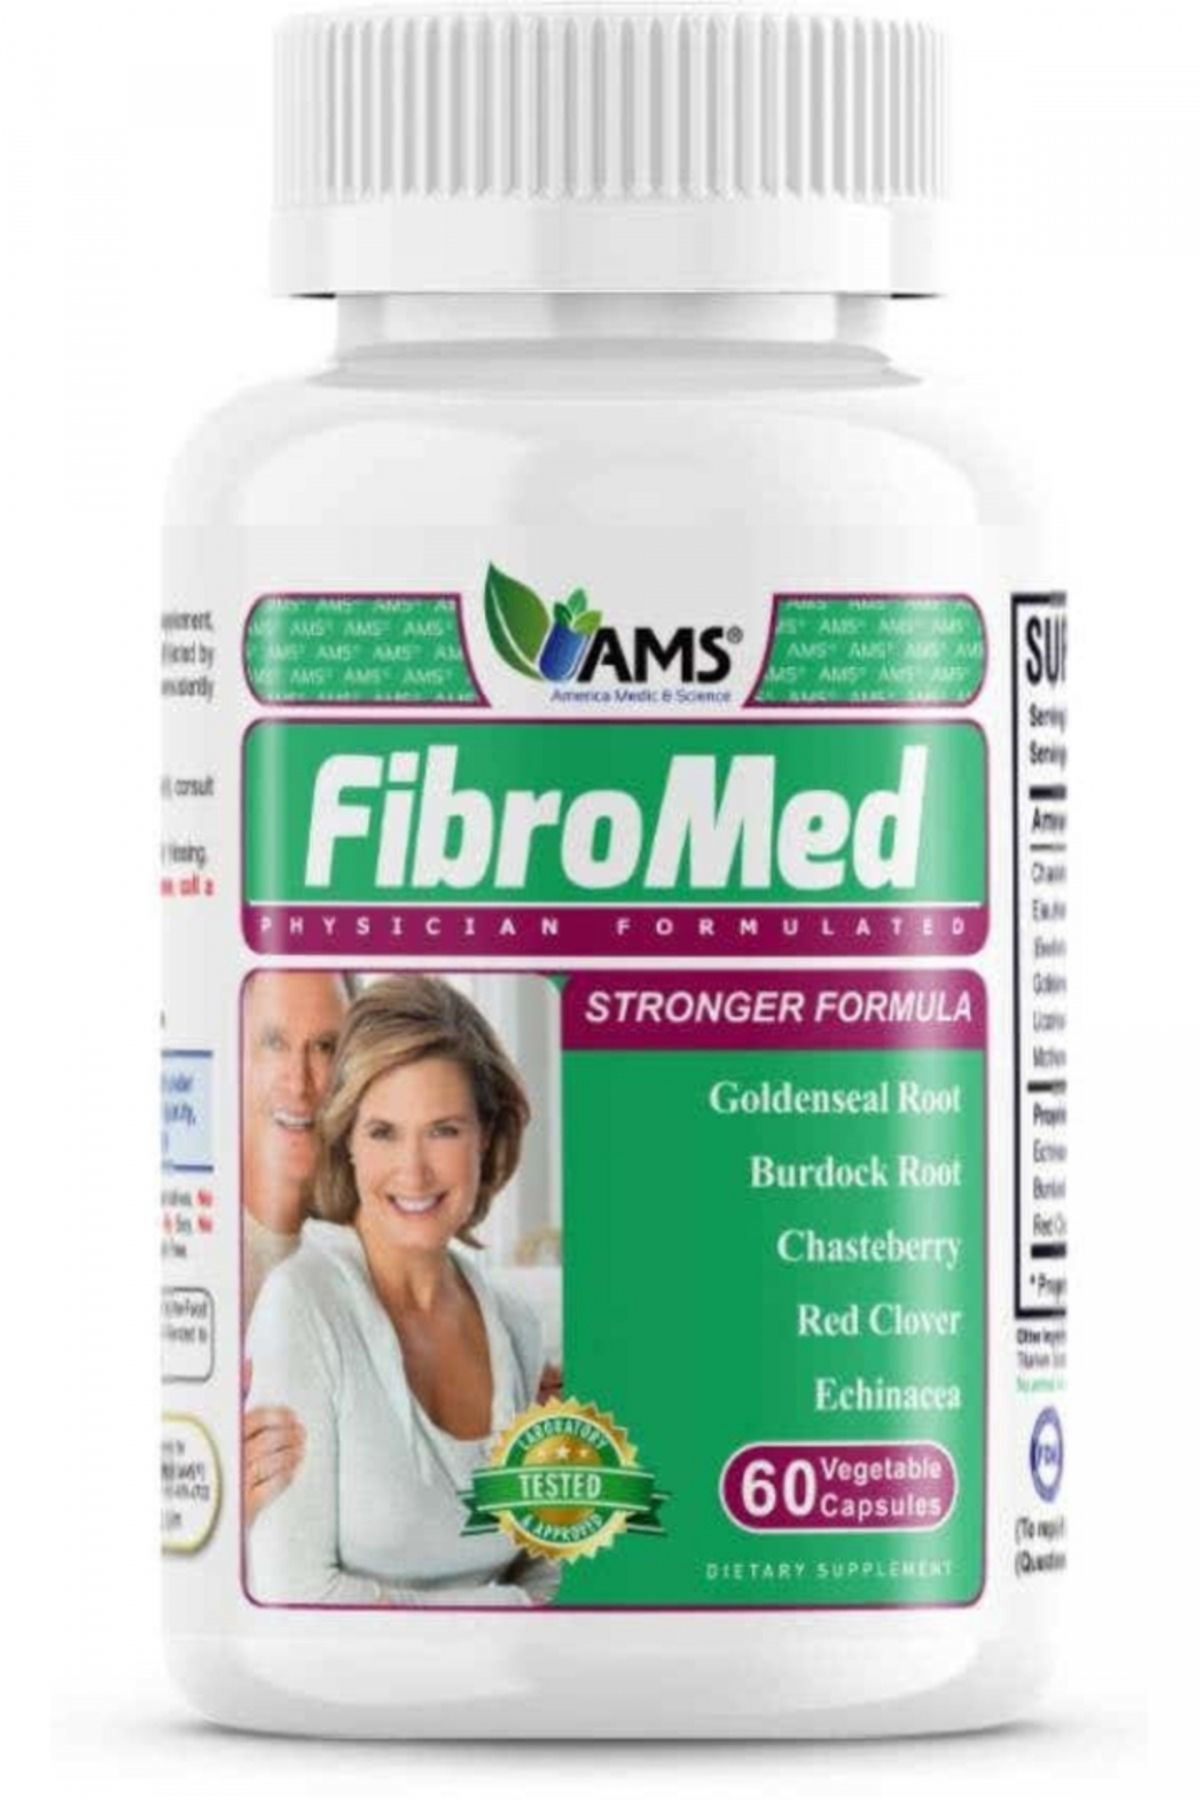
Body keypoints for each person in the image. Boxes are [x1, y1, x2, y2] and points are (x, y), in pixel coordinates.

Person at [245, 976, 557, 1606]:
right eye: (383, 1132)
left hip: (510, 1671)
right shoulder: (301, 1306)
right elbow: (297, 1592)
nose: (413, 1171)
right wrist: (503, 1607)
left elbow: (552, 1573)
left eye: (443, 1130)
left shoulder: (518, 1327)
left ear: (487, 1135)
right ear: (348, 1142)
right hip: (342, 1675)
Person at [241, 969, 350, 1523]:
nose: (300, 1082)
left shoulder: (376, 1240)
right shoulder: (189, 1250)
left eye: (325, 1047)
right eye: (273, 1042)